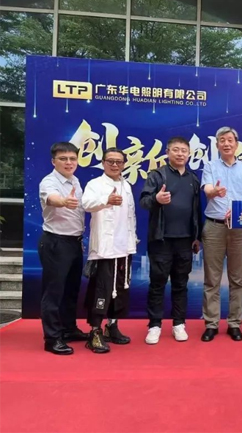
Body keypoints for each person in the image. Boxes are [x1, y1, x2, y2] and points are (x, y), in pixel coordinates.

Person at [140, 137, 202, 345]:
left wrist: (197, 237)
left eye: (184, 150)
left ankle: (179, 323)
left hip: (185, 241)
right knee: (157, 284)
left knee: (181, 284)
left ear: (189, 154)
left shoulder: (193, 179)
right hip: (161, 240)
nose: (180, 153)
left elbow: (196, 210)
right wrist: (156, 199)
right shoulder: (157, 175)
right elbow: (144, 201)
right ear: (167, 152)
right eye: (176, 150)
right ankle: (154, 325)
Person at [201, 127, 242, 342]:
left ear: (237, 144)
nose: (226, 144)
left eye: (230, 140)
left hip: (239, 228)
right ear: (217, 145)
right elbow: (207, 190)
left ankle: (235, 323)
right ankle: (211, 324)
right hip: (214, 227)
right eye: (222, 140)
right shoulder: (210, 166)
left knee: (237, 278)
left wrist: (239, 209)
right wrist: (214, 192)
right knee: (212, 278)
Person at [81, 148, 137, 353]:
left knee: (120, 289)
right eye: (110, 161)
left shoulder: (126, 185)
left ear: (124, 164)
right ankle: (94, 332)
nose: (114, 165)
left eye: (119, 162)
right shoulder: (95, 184)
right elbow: (86, 204)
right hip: (105, 248)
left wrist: (132, 239)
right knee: (102, 289)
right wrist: (106, 201)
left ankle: (112, 326)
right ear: (103, 163)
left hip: (124, 247)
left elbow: (131, 215)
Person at [38, 142, 87, 355]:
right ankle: (52, 338)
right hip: (56, 242)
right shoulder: (49, 182)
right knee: (54, 292)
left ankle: (68, 329)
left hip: (74, 243)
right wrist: (64, 201)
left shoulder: (75, 180)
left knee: (71, 290)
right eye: (63, 159)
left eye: (72, 159)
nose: (69, 162)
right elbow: (52, 198)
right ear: (53, 161)